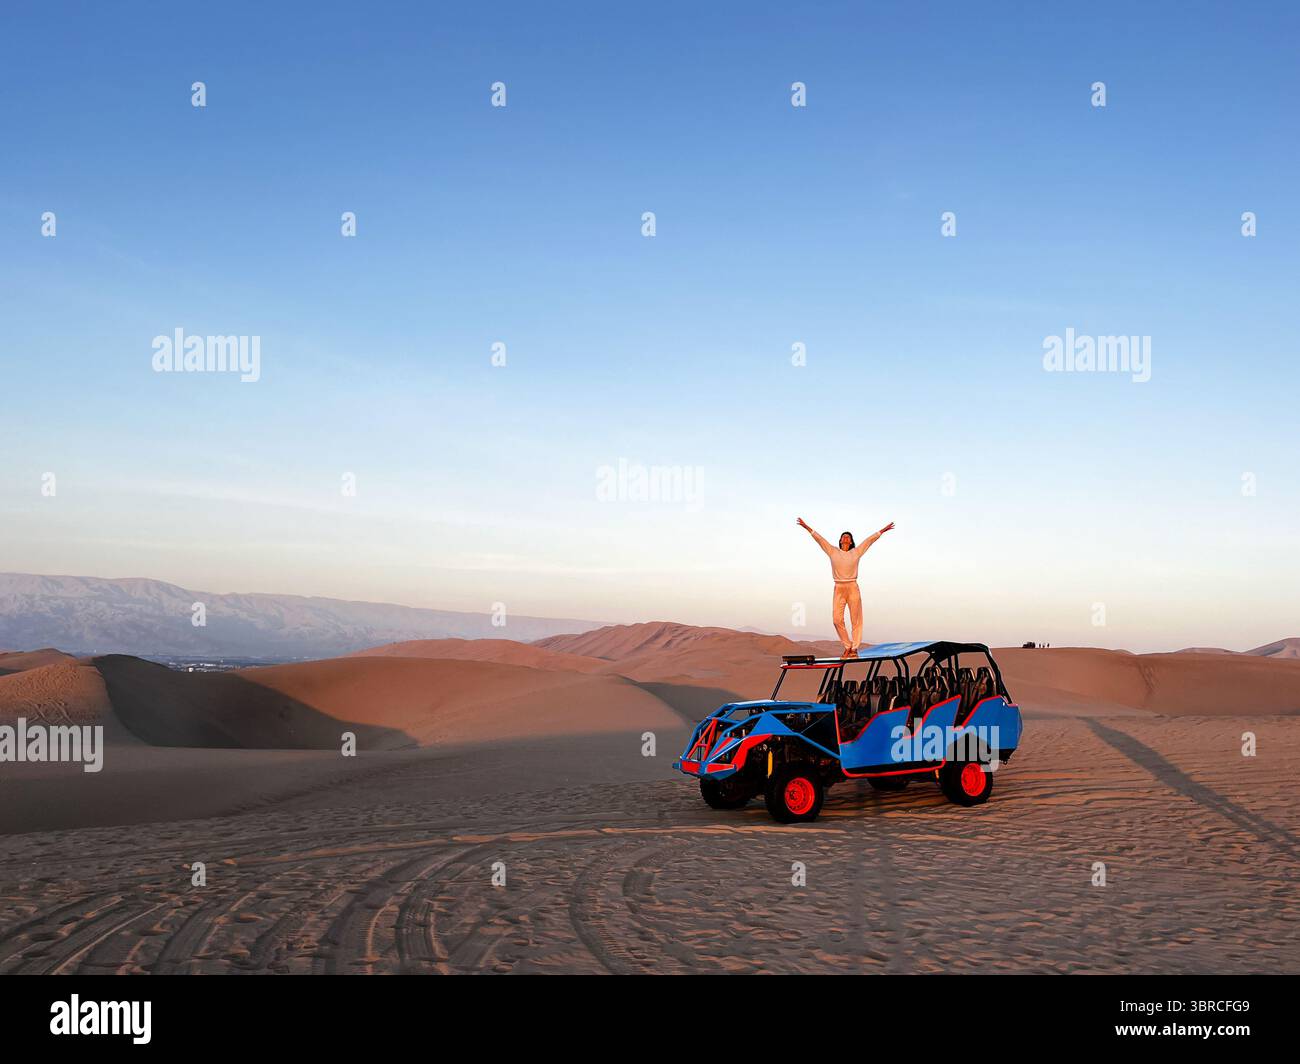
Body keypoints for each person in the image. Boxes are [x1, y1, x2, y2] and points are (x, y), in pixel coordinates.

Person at [796, 517, 895, 655]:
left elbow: (869, 541)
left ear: (851, 541)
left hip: (852, 587)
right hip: (839, 587)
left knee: (856, 619)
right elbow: (820, 540)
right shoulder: (832, 551)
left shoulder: (856, 552)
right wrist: (806, 527)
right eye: (844, 536)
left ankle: (854, 648)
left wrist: (882, 531)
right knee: (836, 619)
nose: (846, 538)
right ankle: (847, 645)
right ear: (841, 540)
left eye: (848, 537)